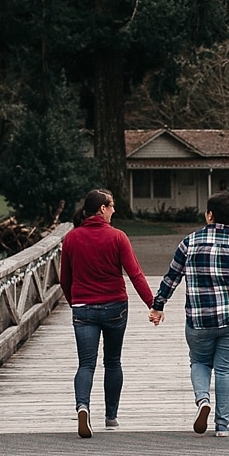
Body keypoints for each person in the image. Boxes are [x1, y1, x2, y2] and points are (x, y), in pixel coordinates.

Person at [148, 191, 229, 436]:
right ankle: (222, 426)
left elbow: (172, 277)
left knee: (199, 361)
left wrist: (158, 306)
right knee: (226, 369)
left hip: (200, 319)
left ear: (209, 215)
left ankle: (203, 400)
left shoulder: (189, 242)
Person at [58, 187, 155, 437]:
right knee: (112, 362)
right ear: (102, 209)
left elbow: (64, 280)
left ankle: (82, 407)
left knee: (86, 364)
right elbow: (135, 274)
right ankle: (111, 417)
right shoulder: (118, 237)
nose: (114, 210)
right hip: (115, 307)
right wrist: (153, 304)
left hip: (83, 310)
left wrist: (74, 302)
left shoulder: (71, 238)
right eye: (111, 206)